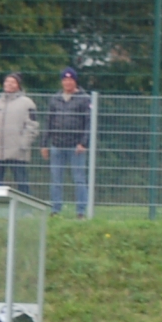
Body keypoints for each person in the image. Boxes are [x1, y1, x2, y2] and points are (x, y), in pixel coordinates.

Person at [41, 67, 91, 218]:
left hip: (76, 147)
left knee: (79, 180)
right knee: (56, 180)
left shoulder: (84, 98)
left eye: (70, 79)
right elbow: (49, 122)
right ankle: (55, 210)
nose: (67, 82)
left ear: (75, 81)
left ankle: (81, 211)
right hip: (57, 145)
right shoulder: (55, 99)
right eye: (65, 80)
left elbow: (88, 123)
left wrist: (83, 143)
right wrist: (44, 143)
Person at [0, 72, 39, 194]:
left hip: (17, 152)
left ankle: (26, 205)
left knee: (22, 181)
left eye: (13, 82)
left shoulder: (27, 103)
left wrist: (23, 143)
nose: (9, 84)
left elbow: (33, 126)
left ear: (18, 85)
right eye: (7, 81)